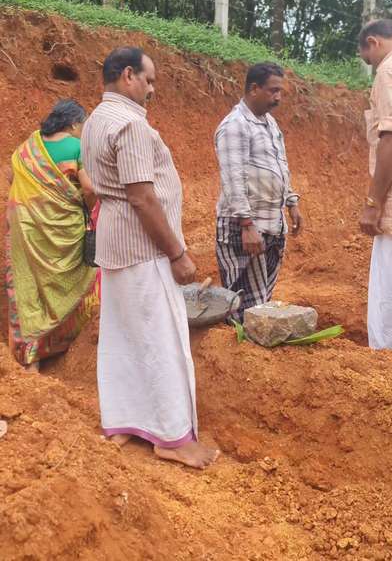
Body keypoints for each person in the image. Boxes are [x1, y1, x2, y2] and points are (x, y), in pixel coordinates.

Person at [81, 46, 219, 470]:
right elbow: (142, 197)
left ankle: (123, 421)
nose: (152, 89)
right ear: (128, 76)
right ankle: (172, 437)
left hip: (116, 247)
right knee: (163, 341)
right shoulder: (130, 125)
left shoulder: (94, 120)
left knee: (123, 338)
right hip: (145, 250)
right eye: (150, 80)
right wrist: (176, 252)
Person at [6, 99, 100, 372]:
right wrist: (87, 208)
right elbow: (90, 188)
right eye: (82, 125)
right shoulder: (76, 147)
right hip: (62, 229)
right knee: (79, 278)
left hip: (24, 229)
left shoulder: (27, 148)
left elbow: (14, 181)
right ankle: (67, 346)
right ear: (73, 123)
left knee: (27, 290)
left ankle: (30, 361)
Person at [215, 62, 303, 321]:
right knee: (245, 309)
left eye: (280, 92)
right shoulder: (235, 125)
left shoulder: (270, 124)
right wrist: (246, 223)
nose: (278, 97)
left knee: (261, 302)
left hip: (272, 227)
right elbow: (233, 177)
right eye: (273, 91)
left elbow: (280, 165)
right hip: (244, 228)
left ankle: (253, 358)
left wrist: (291, 202)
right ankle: (239, 359)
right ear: (254, 89)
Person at [359, 19, 392, 349]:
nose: (371, 67)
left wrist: (374, 204)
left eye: (367, 60)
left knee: (390, 295)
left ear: (373, 42)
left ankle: (386, 368)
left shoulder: (390, 69)